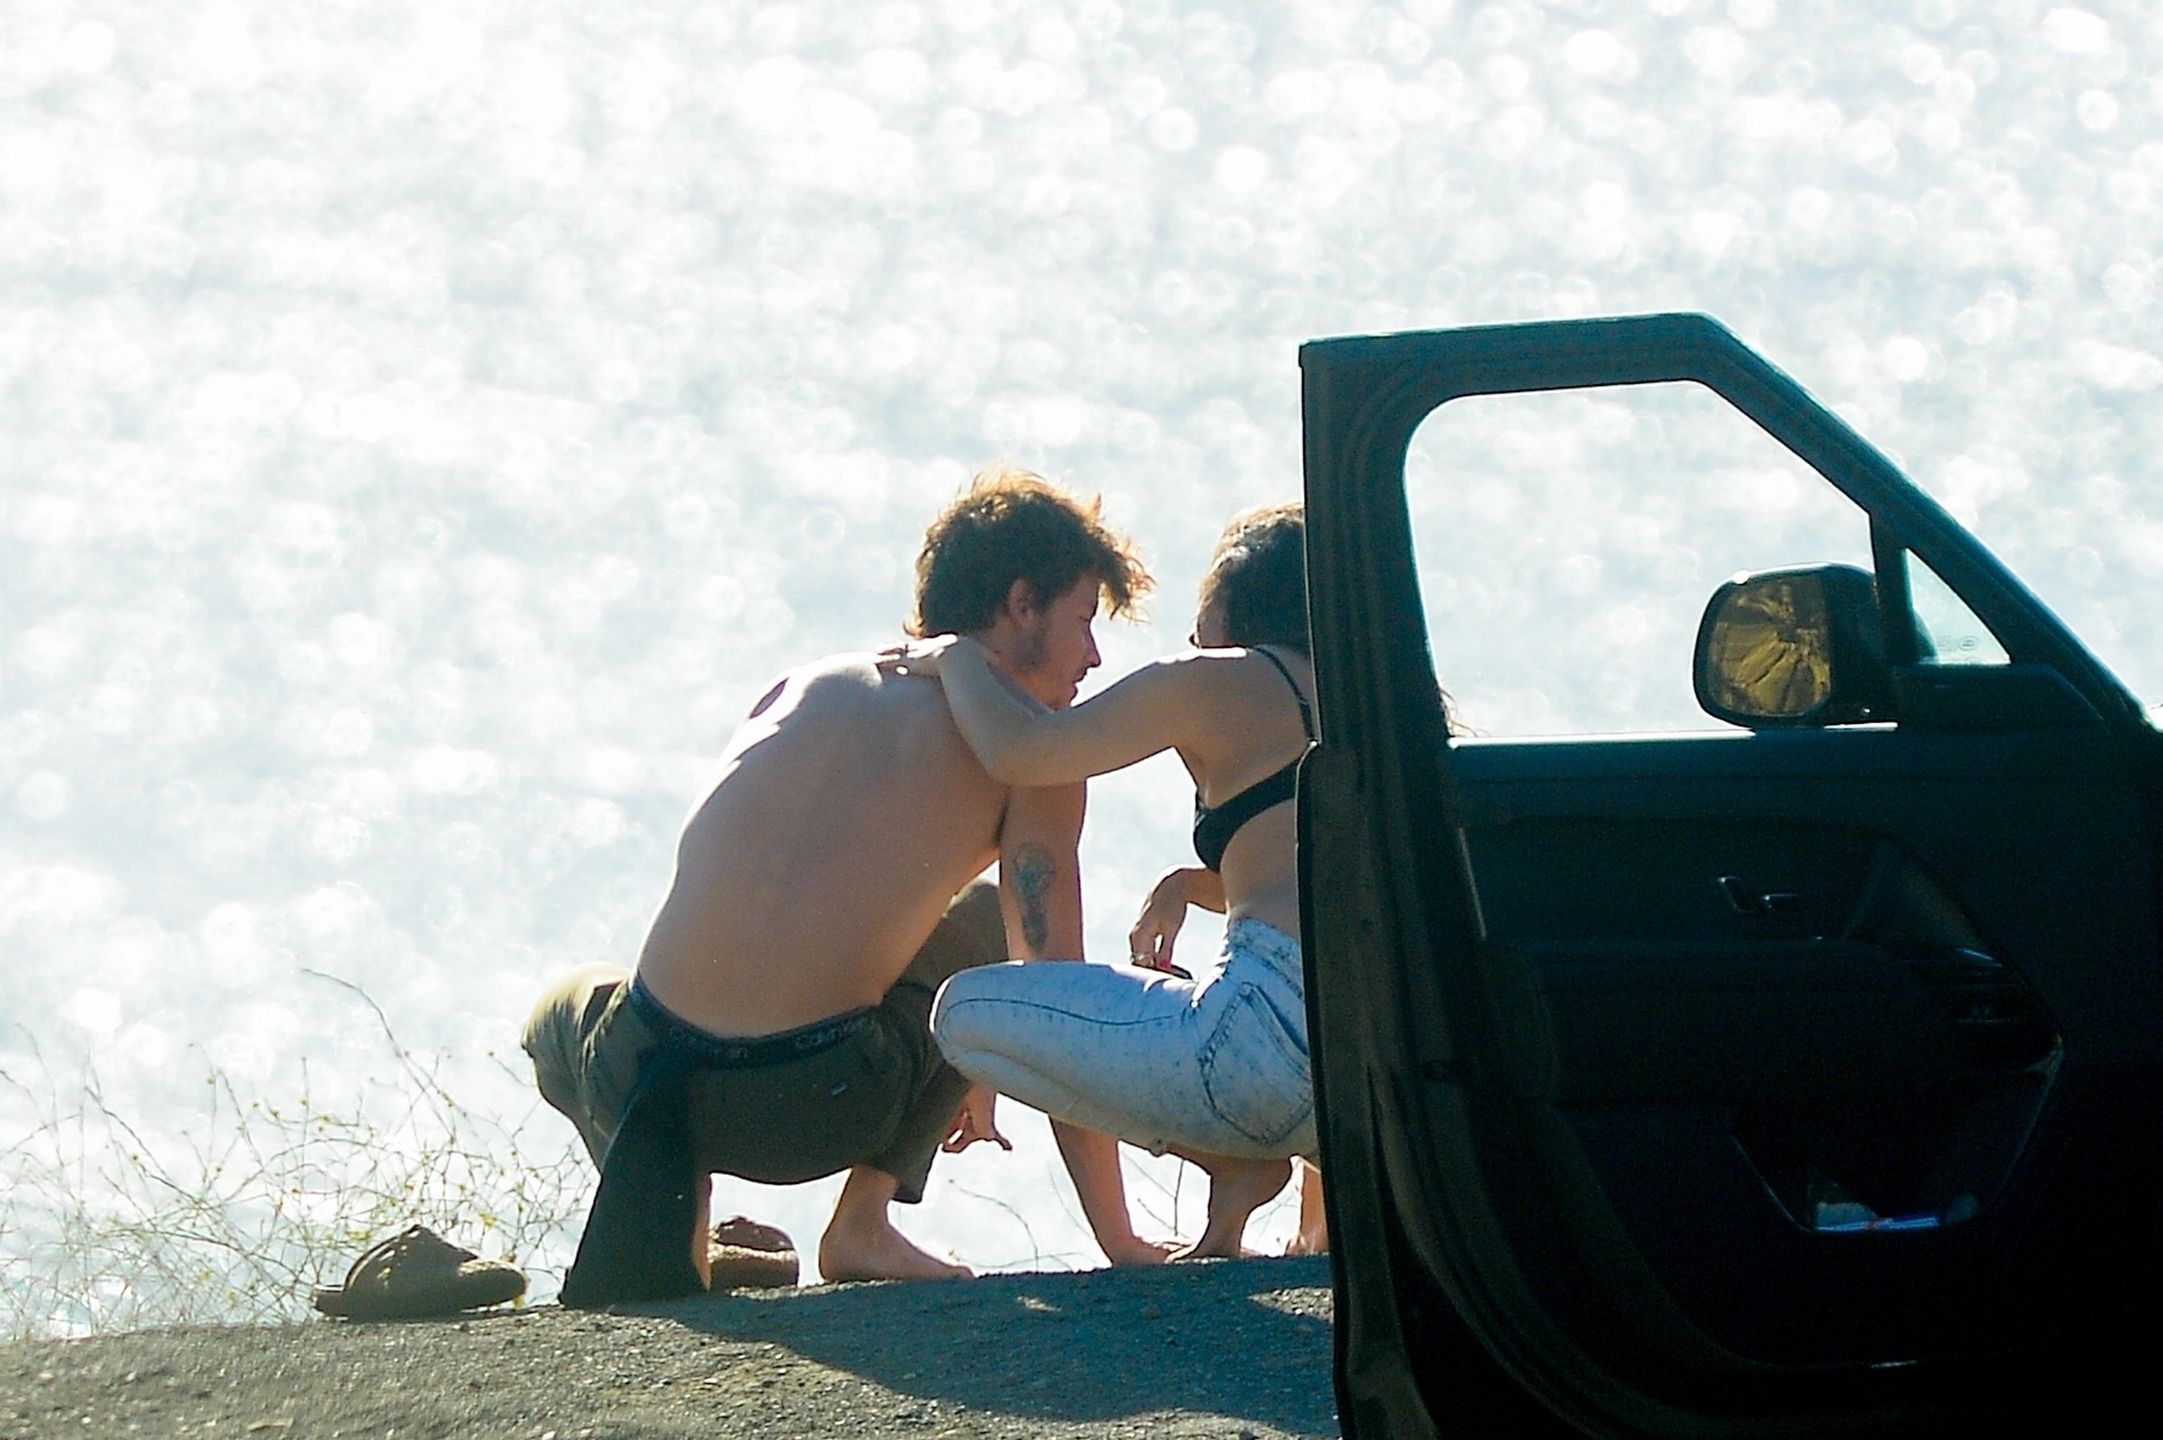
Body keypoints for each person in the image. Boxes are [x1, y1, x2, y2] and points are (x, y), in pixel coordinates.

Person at [521, 468, 1168, 1304]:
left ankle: (677, 1213)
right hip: (809, 1105)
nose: (1093, 656)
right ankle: (862, 1222)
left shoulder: (809, 682)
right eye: (1082, 620)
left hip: (636, 1074)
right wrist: (1118, 1239)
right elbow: (1056, 1003)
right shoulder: (1033, 755)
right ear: (1019, 604)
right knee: (983, 918)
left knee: (561, 1009)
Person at [906, 501, 1320, 1259]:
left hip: (1257, 1052)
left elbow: (1025, 752)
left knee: (962, 1011)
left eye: (1202, 611)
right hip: (1374, 1083)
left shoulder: (1214, 681)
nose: (1192, 635)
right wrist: (1185, 885)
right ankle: (1296, 1210)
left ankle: (1230, 1159)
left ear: (1240, 601)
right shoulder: (1380, 706)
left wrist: (954, 658)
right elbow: (1318, 888)